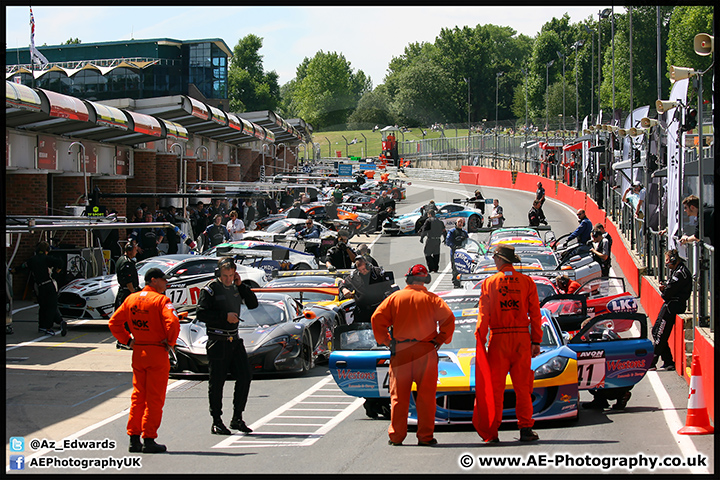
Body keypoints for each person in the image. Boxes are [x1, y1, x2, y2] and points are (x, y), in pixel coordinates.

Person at [371, 264, 455, 446]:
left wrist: (386, 341)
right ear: (425, 280)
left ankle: (396, 436)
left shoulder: (396, 298)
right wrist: (440, 340)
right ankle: (425, 437)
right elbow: (449, 319)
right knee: (426, 397)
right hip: (426, 351)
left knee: (398, 397)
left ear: (408, 278)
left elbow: (377, 319)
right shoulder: (433, 299)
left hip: (401, 351)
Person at [473, 245, 542, 443]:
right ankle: (526, 429)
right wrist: (536, 340)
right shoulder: (527, 282)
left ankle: (492, 432)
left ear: (499, 260)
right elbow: (536, 315)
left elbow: (483, 316)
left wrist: (481, 340)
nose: (494, 262)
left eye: (495, 259)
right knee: (523, 388)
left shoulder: (489, 283)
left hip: (498, 339)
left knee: (495, 389)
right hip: (522, 340)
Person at [108, 267, 180, 453]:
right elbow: (173, 322)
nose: (166, 283)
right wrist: (170, 342)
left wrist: (128, 341)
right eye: (163, 280)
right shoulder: (161, 300)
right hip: (157, 352)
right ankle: (149, 438)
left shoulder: (131, 299)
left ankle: (134, 438)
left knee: (138, 396)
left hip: (138, 351)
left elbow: (114, 323)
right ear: (153, 280)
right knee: (154, 399)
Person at [196, 257, 259, 435]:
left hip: (234, 340)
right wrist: (225, 317)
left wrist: (241, 286)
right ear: (219, 274)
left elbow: (253, 304)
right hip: (218, 340)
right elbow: (201, 313)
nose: (228, 279)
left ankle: (237, 417)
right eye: (225, 276)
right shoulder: (210, 290)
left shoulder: (236, 287)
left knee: (245, 376)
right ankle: (216, 420)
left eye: (231, 275)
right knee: (217, 383)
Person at [649, 250, 692, 371]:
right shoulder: (676, 271)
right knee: (655, 331)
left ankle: (652, 362)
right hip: (670, 303)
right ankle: (668, 361)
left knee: (660, 332)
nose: (666, 263)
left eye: (667, 260)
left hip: (675, 305)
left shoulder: (680, 273)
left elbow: (667, 293)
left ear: (674, 259)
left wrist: (664, 290)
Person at [13, 241, 67, 336]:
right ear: (47, 250)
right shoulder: (47, 259)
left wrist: (14, 270)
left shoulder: (32, 260)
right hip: (49, 285)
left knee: (43, 306)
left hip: (39, 287)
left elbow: (21, 267)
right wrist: (56, 272)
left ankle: (43, 325)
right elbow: (60, 262)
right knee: (51, 306)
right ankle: (49, 326)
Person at [340, 256, 390, 324]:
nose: (363, 272)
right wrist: (344, 290)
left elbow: (388, 289)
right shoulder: (354, 276)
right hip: (361, 312)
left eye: (364, 269)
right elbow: (342, 283)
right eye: (360, 270)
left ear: (368, 265)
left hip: (377, 309)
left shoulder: (378, 273)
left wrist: (386, 304)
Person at [114, 241, 140, 310]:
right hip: (126, 293)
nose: (136, 252)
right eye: (135, 250)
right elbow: (128, 281)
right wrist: (134, 294)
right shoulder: (126, 262)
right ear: (129, 251)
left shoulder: (121, 259)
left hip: (123, 292)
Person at [446, 219, 469, 288]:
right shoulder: (452, 231)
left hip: (463, 252)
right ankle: (456, 283)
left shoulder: (464, 232)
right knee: (455, 268)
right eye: (459, 222)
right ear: (456, 223)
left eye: (461, 222)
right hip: (454, 252)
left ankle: (460, 282)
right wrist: (454, 246)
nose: (460, 223)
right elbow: (448, 241)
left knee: (462, 268)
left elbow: (468, 241)